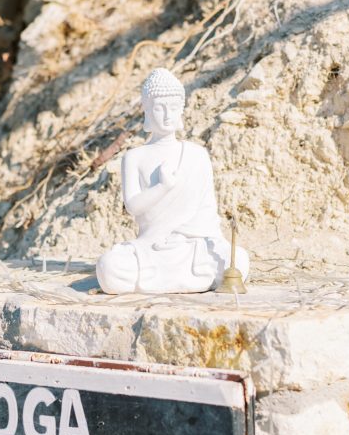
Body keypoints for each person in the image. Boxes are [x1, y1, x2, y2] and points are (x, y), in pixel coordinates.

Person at [96, 68, 250, 294]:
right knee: (109, 267)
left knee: (238, 260)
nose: (168, 115)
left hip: (192, 247)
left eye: (174, 107)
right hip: (151, 246)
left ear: (182, 109)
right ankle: (186, 280)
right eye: (160, 108)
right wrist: (163, 187)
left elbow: (207, 214)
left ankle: (168, 279)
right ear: (147, 109)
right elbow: (133, 206)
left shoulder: (197, 155)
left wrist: (186, 236)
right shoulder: (134, 157)